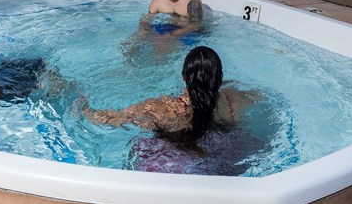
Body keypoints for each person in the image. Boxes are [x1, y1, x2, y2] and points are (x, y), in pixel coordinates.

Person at [83, 46, 257, 142]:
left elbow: (112, 119)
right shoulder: (232, 99)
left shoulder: (165, 108)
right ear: (219, 78)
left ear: (183, 76)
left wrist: (82, 107)